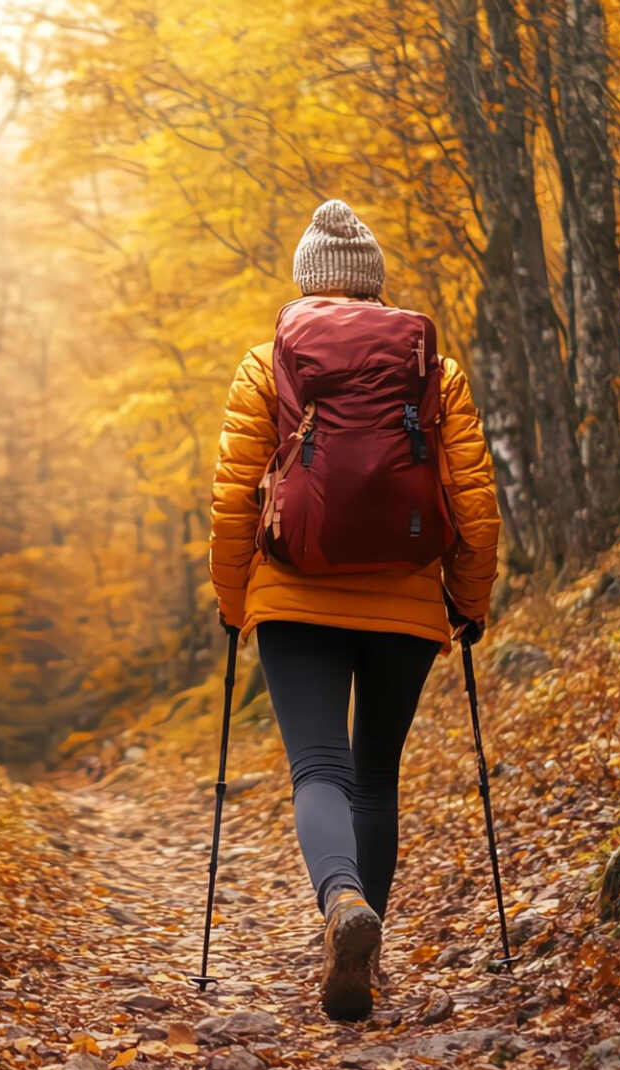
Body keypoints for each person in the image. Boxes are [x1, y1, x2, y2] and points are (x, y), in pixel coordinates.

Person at [208, 200, 501, 1020]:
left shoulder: (267, 366)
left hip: (293, 595)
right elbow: (474, 505)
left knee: (319, 771)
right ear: (374, 288)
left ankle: (341, 905)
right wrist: (466, 603)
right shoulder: (431, 372)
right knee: (375, 777)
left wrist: (237, 604)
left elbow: (234, 501)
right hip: (406, 598)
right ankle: (363, 963)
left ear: (307, 284)